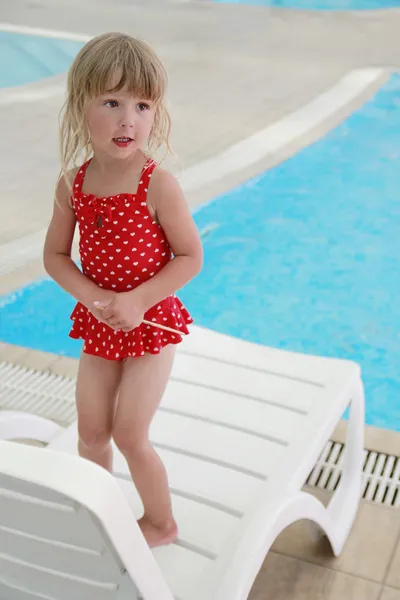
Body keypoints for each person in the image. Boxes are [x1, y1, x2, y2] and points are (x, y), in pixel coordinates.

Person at [43, 32, 203, 547]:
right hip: (101, 324)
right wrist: (96, 298)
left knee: (130, 433)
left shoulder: (158, 183)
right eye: (111, 102)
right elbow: (55, 256)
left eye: (141, 104)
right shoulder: (74, 184)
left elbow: (190, 257)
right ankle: (99, 512)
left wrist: (138, 299)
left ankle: (161, 522)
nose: (127, 118)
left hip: (151, 326)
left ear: (156, 112)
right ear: (81, 107)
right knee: (91, 435)